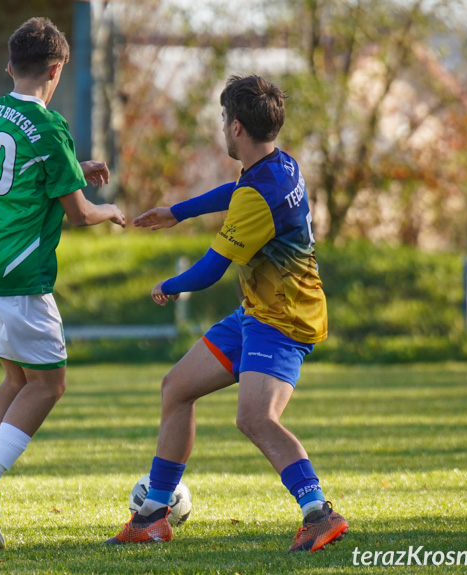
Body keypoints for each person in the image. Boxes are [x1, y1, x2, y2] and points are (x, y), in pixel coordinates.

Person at [104, 75, 348, 552]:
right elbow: (233, 194)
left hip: (284, 321)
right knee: (177, 388)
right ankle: (154, 513)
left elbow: (213, 268)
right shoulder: (279, 165)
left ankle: (318, 512)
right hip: (257, 312)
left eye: (221, 120)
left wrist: (169, 286)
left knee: (256, 418)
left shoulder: (260, 197)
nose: (220, 128)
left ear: (236, 127)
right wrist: (178, 212)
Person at [0, 16, 126, 551]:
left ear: (9, 67)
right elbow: (77, 214)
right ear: (56, 69)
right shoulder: (50, 130)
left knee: (15, 382)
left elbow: (21, 176)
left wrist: (74, 166)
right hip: (16, 275)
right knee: (48, 385)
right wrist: (110, 210)